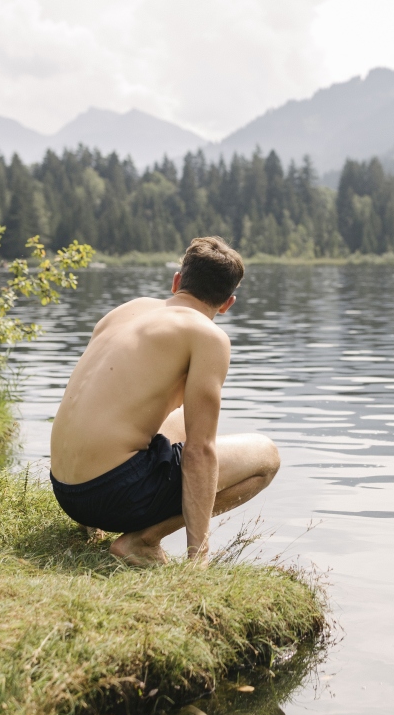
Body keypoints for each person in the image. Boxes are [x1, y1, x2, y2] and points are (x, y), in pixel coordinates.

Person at [49, 237, 280, 566]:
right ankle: (142, 542)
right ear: (228, 303)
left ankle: (93, 526)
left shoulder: (129, 309)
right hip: (109, 495)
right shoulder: (208, 336)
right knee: (265, 456)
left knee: (184, 414)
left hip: (66, 489)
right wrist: (197, 557)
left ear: (176, 282)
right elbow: (200, 452)